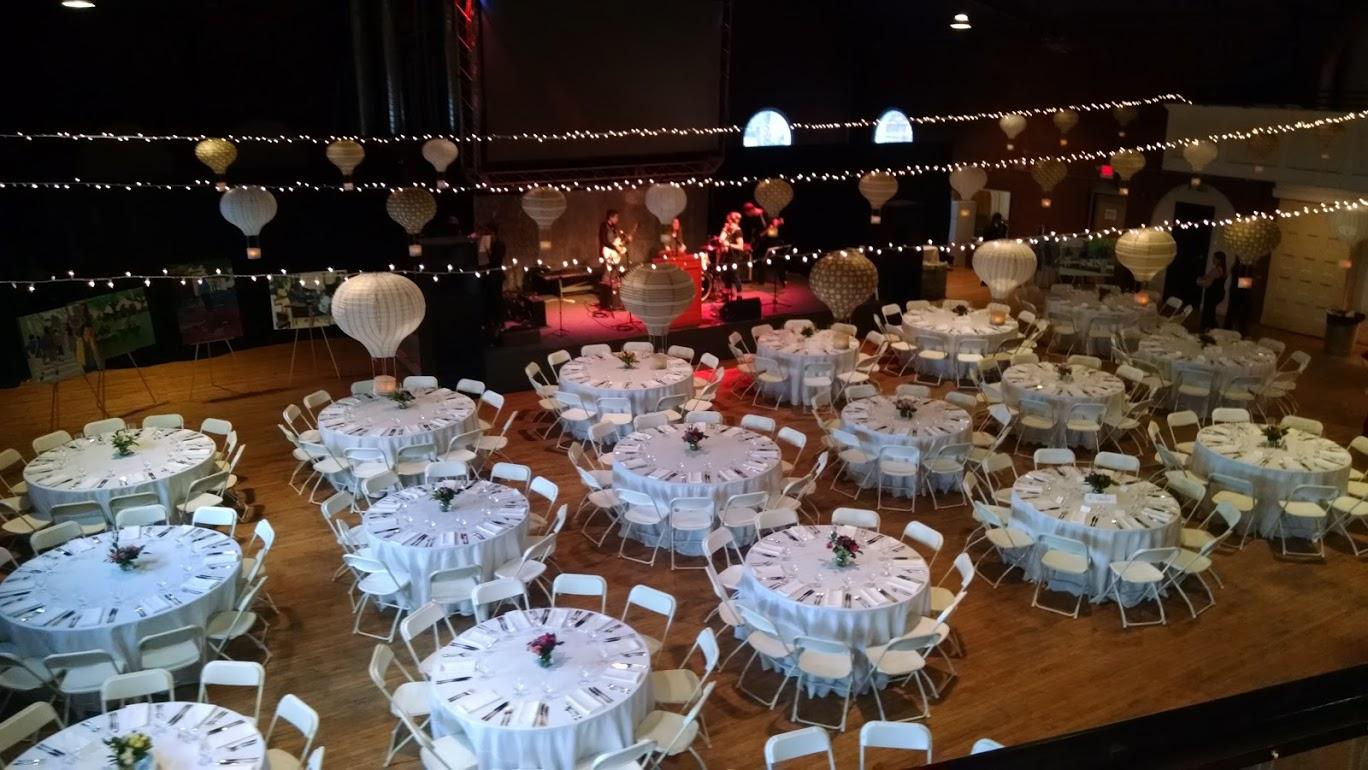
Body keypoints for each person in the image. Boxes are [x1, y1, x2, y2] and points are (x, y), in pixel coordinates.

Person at [1225, 255, 1256, 335]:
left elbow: (1244, 284)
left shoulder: (1244, 267)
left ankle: (1235, 331)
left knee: (1236, 314)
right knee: (1236, 314)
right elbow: (1243, 283)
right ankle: (1234, 331)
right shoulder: (1241, 266)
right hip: (1238, 292)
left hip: (1239, 293)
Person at [1198, 250, 1228, 331]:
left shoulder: (1216, 270)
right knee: (1211, 312)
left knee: (1207, 313)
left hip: (1212, 294)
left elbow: (1207, 284)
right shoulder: (1224, 270)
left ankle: (1206, 329)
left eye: (1215, 258)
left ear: (1220, 260)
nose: (1213, 259)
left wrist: (1198, 282)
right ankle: (1212, 328)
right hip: (1219, 293)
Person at [751, 216, 786, 286]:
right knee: (762, 263)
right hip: (765, 250)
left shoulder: (777, 229)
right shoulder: (768, 228)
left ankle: (783, 279)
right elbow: (760, 236)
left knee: (780, 262)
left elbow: (776, 237)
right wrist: (768, 230)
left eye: (777, 221)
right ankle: (761, 281)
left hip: (775, 250)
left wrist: (779, 224)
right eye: (775, 221)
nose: (776, 222)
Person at [718, 211, 746, 296]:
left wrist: (729, 244)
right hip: (728, 255)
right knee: (726, 275)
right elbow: (720, 240)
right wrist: (724, 229)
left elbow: (740, 246)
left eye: (728, 220)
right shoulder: (728, 230)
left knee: (735, 275)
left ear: (733, 221)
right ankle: (728, 293)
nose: (727, 222)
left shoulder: (738, 231)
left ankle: (739, 294)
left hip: (735, 256)